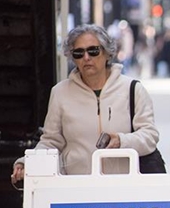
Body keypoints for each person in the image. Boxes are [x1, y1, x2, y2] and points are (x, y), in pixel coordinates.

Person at [11, 24, 160, 183]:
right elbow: (51, 141)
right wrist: (29, 162)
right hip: (78, 189)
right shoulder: (60, 93)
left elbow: (150, 136)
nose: (86, 58)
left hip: (125, 187)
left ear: (107, 53)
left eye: (93, 51)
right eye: (78, 53)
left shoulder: (133, 89)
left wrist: (122, 141)